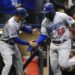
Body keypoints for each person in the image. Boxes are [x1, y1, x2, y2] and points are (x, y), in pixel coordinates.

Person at [29, 3, 75, 75]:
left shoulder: (62, 16)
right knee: (54, 68)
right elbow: (43, 35)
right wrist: (37, 42)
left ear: (53, 11)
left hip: (64, 42)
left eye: (48, 13)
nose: (46, 15)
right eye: (45, 13)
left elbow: (73, 23)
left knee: (63, 64)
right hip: (53, 44)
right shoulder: (44, 22)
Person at [0, 7, 39, 75]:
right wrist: (28, 43)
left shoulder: (19, 20)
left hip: (13, 44)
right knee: (8, 64)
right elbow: (15, 39)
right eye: (23, 15)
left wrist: (31, 31)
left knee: (19, 63)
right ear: (18, 15)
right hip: (5, 44)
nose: (24, 17)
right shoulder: (11, 24)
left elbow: (22, 27)